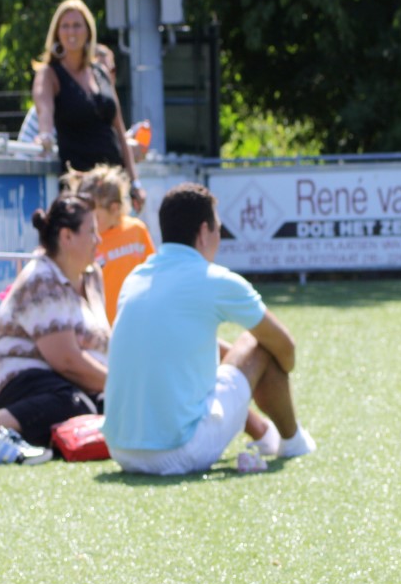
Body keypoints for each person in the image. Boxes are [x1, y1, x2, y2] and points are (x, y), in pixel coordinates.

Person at [103, 182, 317, 476]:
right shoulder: (215, 279)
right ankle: (293, 441)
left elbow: (173, 343)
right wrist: (272, 369)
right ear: (204, 232)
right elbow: (285, 348)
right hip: (178, 451)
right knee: (258, 342)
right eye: (219, 229)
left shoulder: (135, 278)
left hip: (120, 450)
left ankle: (267, 435)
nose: (219, 237)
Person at [0, 195, 109, 449]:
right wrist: (119, 385)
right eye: (92, 231)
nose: (99, 239)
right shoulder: (41, 278)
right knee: (75, 404)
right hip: (16, 384)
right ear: (66, 236)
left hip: (64, 386)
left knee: (101, 406)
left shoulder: (93, 277)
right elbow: (67, 361)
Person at [31, 0, 146, 210]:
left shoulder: (100, 72)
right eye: (65, 26)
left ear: (88, 31)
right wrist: (44, 135)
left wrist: (135, 182)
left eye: (77, 25)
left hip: (114, 184)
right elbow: (44, 109)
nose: (71, 31)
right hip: (80, 186)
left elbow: (119, 131)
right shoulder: (49, 73)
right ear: (56, 32)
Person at [63, 165, 155, 324]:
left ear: (115, 208)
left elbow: (152, 273)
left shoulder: (137, 230)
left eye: (95, 217)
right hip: (101, 326)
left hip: (137, 323)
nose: (87, 222)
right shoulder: (84, 240)